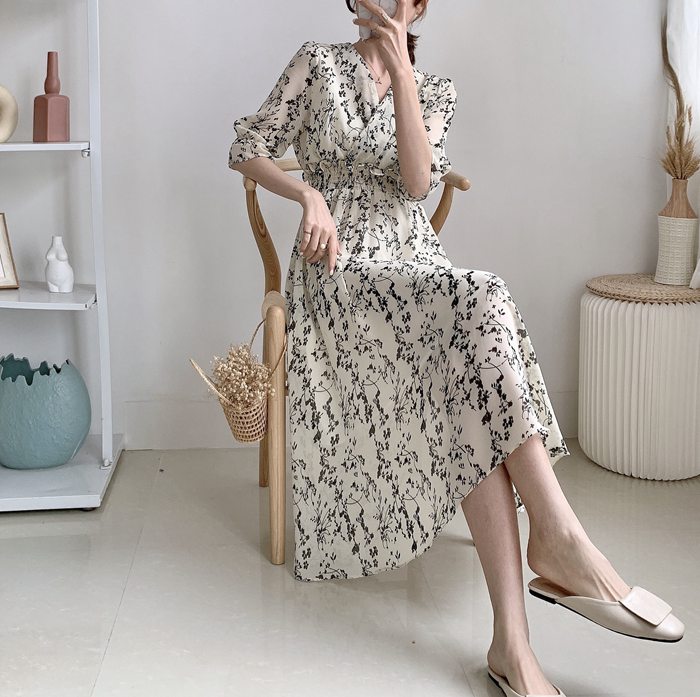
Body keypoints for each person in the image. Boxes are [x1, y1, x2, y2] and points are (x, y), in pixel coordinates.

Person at [228, 2, 685, 695]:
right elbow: (246, 146)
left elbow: (417, 184)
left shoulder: (436, 89)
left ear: (418, 7)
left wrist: (402, 72)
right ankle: (559, 540)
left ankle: (513, 639)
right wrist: (306, 195)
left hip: (414, 268)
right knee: (481, 302)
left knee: (468, 358)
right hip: (339, 273)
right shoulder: (316, 62)